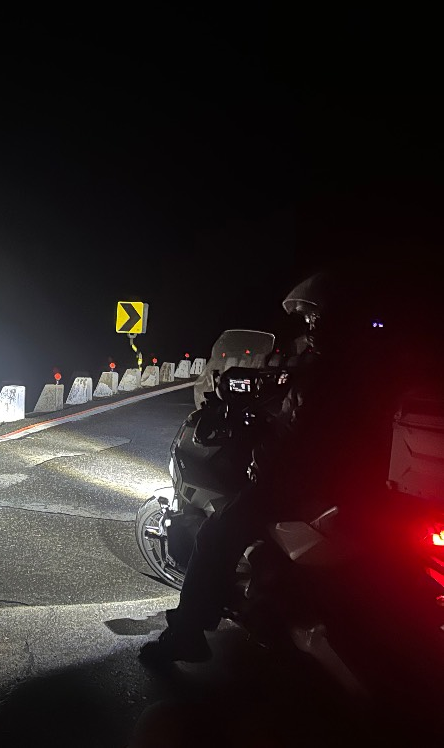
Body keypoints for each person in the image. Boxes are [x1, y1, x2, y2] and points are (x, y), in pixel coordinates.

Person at [139, 268, 397, 666]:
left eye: (314, 319)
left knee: (216, 533)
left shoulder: (328, 371)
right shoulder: (361, 363)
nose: (310, 327)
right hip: (355, 482)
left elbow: (300, 440)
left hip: (305, 484)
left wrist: (261, 460)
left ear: (333, 319)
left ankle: (186, 634)